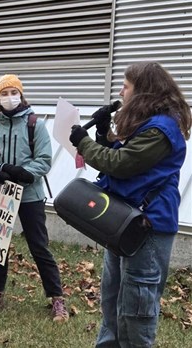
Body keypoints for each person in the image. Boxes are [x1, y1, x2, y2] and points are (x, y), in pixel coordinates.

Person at [69, 61, 191, 347]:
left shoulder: (161, 130)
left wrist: (84, 143)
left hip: (146, 228)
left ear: (143, 92)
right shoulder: (148, 126)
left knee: (136, 306)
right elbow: (123, 158)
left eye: (125, 87)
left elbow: (122, 164)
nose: (121, 92)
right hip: (124, 221)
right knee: (112, 299)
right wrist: (103, 135)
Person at [0, 74, 69, 321]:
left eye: (13, 92)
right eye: (4, 94)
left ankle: (57, 298)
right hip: (1, 194)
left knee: (39, 246)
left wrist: (25, 173)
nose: (9, 98)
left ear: (21, 94)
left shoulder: (34, 124)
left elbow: (44, 160)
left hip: (30, 194)